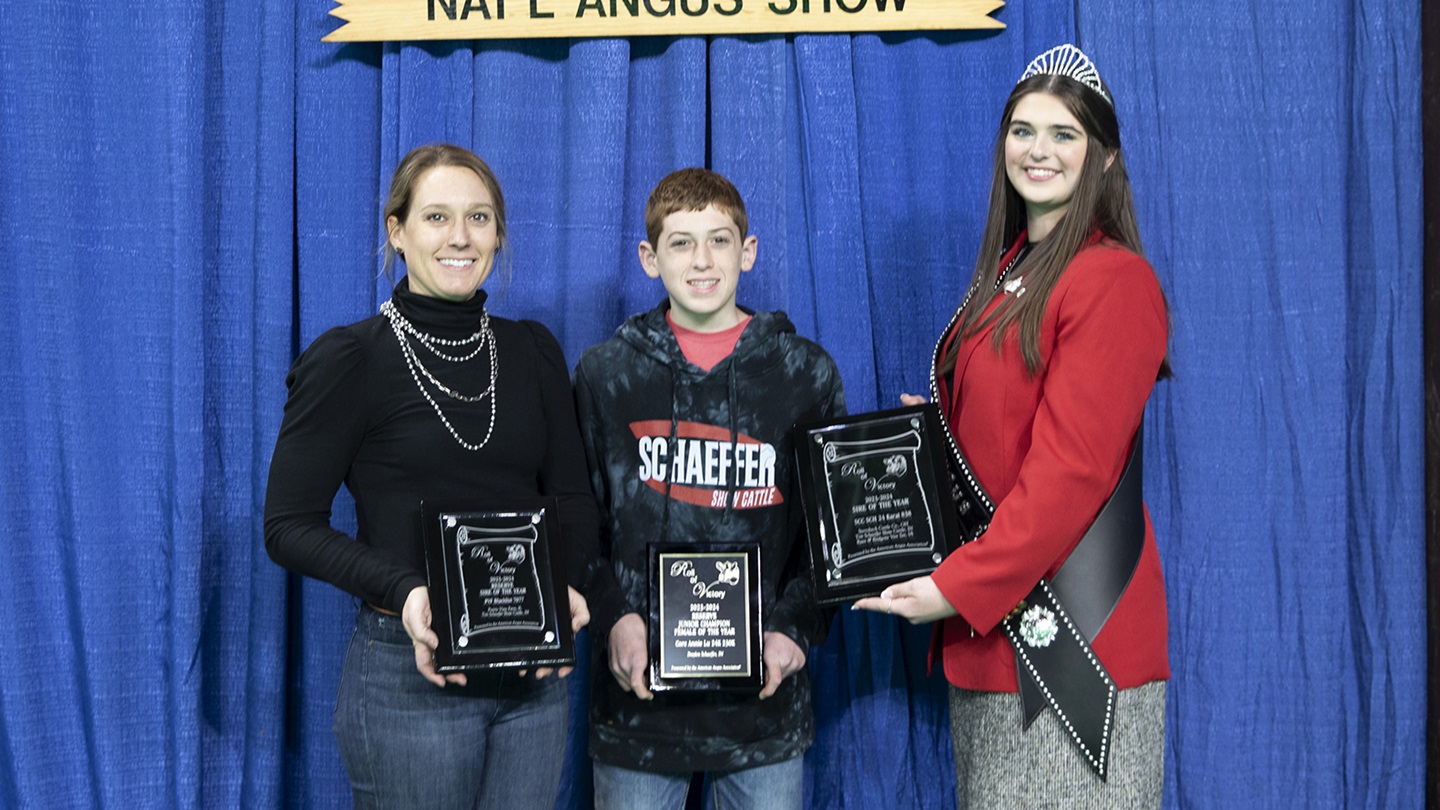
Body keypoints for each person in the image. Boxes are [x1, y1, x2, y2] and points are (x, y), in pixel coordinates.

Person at [854, 44, 1172, 806]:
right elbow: (1011, 429)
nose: (1039, 150)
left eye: (1065, 134)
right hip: (995, 641)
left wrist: (954, 587)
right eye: (1023, 130)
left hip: (1076, 647)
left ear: (1103, 158)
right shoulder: (1009, 275)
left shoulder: (1113, 279)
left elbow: (1074, 472)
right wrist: (934, 440)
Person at [264, 143, 603, 809]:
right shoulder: (350, 358)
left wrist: (568, 586)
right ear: (398, 231)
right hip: (406, 673)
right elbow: (287, 527)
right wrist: (408, 591)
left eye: (479, 218)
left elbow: (572, 499)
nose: (460, 237)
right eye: (437, 217)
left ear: (499, 234)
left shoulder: (532, 349)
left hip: (532, 677)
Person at [572, 168, 846, 809]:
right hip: (637, 710)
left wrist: (794, 630)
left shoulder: (804, 374)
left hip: (763, 709)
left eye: (720, 241)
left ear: (747, 252)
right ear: (649, 257)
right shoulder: (605, 374)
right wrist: (613, 617)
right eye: (680, 242)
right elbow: (579, 521)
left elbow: (829, 536)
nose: (702, 261)